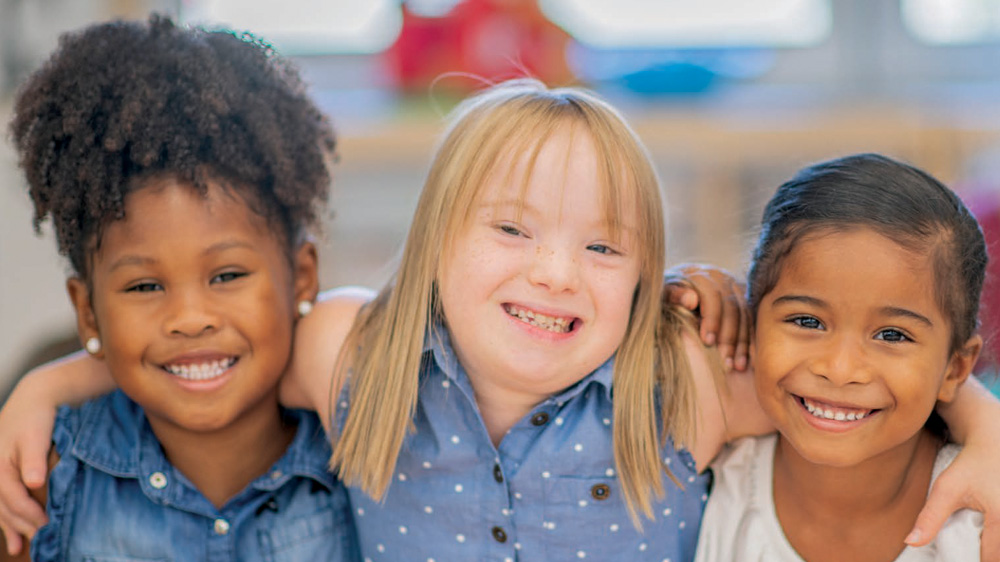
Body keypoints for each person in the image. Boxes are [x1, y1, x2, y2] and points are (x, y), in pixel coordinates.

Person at [4, 82, 1000, 561]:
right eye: (513, 230)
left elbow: (847, 381)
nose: (557, 274)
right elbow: (216, 342)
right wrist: (51, 381)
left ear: (646, 274)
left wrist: (987, 424)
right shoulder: (348, 353)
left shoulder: (683, 382)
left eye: (603, 248)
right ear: (436, 240)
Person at [0, 15, 359, 562]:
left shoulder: (366, 466)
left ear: (302, 277)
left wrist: (47, 383)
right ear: (88, 314)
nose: (190, 317)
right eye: (145, 285)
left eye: (228, 276)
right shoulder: (41, 479)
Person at [694, 153, 987, 561]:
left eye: (892, 334)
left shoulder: (979, 522)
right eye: (807, 321)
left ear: (955, 369)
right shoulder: (705, 484)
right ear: (750, 323)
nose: (840, 369)